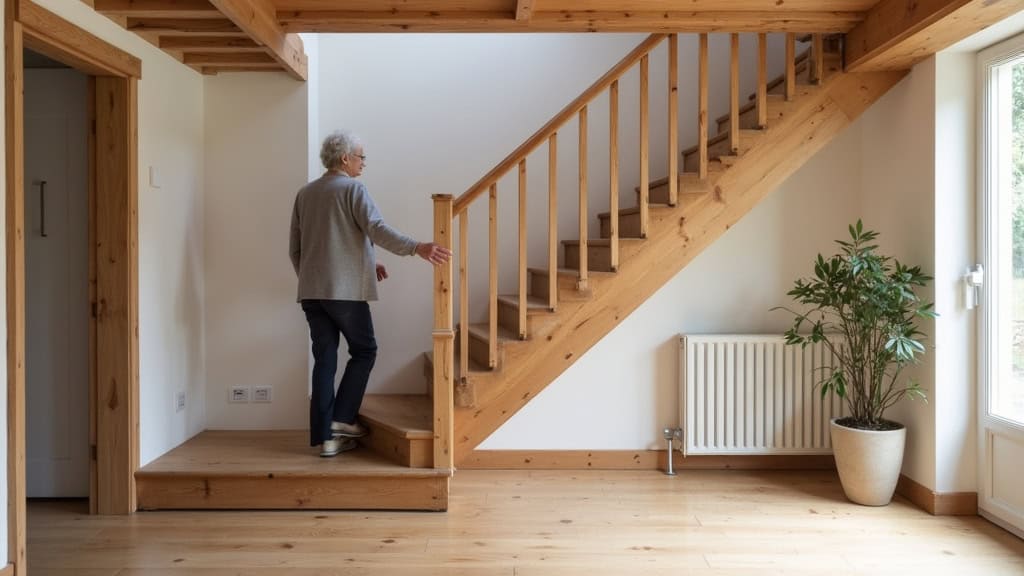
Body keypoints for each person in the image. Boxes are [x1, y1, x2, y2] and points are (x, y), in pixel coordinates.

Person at [290, 130, 451, 457]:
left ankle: (326, 438)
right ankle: (342, 420)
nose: (364, 163)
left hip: (312, 292)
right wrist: (416, 247)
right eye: (361, 156)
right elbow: (376, 228)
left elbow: (298, 249)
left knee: (324, 359)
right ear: (345, 158)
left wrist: (363, 262)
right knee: (365, 351)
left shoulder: (305, 194)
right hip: (344, 293)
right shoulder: (353, 189)